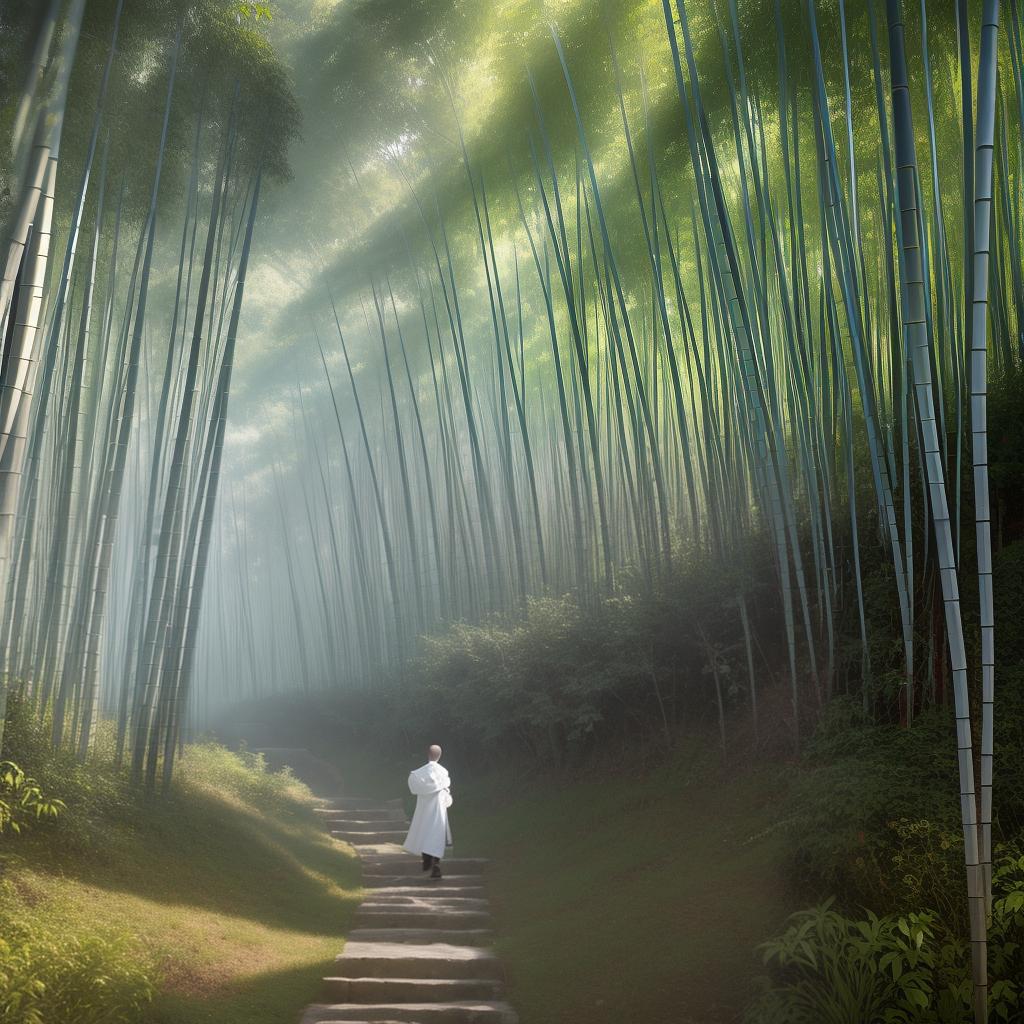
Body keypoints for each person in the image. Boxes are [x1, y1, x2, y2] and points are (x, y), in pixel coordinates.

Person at [403, 744, 452, 879]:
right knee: (436, 835)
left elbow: (414, 788)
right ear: (439, 756)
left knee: (425, 832)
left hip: (424, 810)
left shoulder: (419, 774)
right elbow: (446, 794)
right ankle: (435, 864)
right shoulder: (443, 773)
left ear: (428, 754)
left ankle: (427, 861)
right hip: (438, 810)